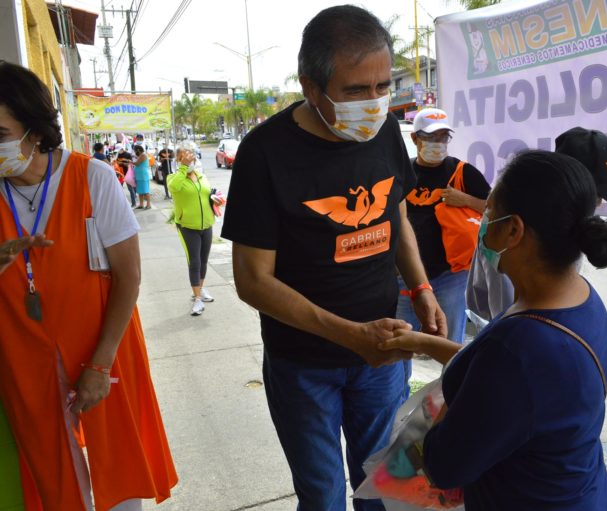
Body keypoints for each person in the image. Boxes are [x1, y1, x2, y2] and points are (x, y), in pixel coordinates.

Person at [221, 5, 446, 510]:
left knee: (384, 490)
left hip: (382, 357)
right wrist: (349, 334)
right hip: (303, 365)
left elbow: (396, 218)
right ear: (310, 86)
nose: (374, 103)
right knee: (322, 496)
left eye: (382, 87)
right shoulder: (264, 153)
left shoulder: (384, 132)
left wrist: (420, 288)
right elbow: (253, 280)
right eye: (356, 90)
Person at [379, 150, 607, 510]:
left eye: (489, 212)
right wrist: (424, 342)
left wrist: (450, 399)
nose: (482, 222)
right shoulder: (580, 299)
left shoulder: (519, 347)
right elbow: (504, 378)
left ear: (513, 230)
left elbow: (443, 465)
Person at [0, 61, 176, 511]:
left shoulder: (91, 177)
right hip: (23, 357)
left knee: (118, 460)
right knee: (52, 473)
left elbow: (128, 276)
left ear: (33, 132)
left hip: (102, 347)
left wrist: (100, 364)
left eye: (0, 133)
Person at [466, 126, 607, 321]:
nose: (598, 203)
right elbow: (505, 313)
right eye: (595, 194)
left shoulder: (567, 226)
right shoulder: (520, 239)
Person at [397, 107, 490, 344]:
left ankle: (450, 371)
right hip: (406, 274)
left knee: (448, 342)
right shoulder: (403, 173)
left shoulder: (463, 172)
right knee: (401, 339)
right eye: (431, 137)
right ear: (415, 138)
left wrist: (466, 200)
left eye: (443, 137)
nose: (438, 144)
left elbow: (495, 209)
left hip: (451, 276)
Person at [168, 141, 220, 316]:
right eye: (184, 157)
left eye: (190, 157)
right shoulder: (173, 178)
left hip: (206, 225)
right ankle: (197, 299)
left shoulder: (201, 176)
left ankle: (200, 289)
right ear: (178, 159)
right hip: (187, 226)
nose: (189, 160)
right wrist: (183, 168)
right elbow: (174, 188)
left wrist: (215, 199)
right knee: (195, 261)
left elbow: (205, 195)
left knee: (204, 260)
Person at [133, 145, 151, 209]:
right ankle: (141, 204)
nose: (134, 152)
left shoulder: (143, 155)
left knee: (146, 191)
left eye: (135, 150)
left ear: (138, 150)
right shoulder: (141, 155)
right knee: (140, 191)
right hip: (139, 176)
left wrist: (130, 162)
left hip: (143, 176)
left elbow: (137, 163)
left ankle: (148, 204)